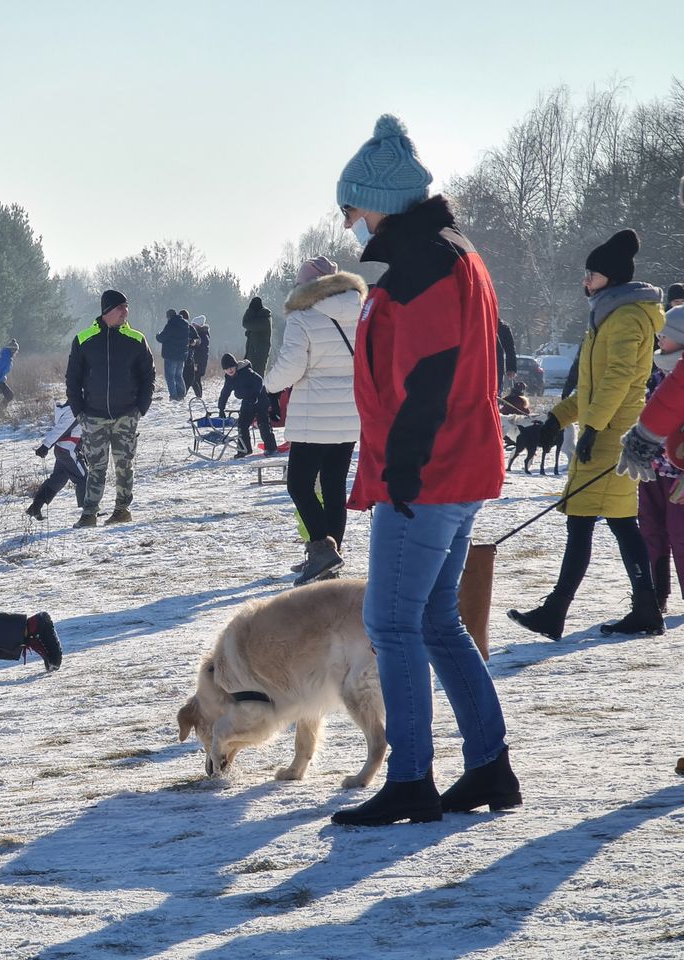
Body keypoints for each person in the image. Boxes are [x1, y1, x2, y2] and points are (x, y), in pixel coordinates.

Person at [329, 114, 518, 828]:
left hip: (430, 473)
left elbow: (429, 377)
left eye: (353, 208)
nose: (352, 222)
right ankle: (489, 767)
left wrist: (401, 473)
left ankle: (410, 779)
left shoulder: (426, 265)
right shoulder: (442, 254)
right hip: (454, 463)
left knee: (391, 621)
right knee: (436, 619)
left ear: (380, 200)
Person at [509, 230, 665, 639]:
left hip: (613, 435)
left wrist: (593, 427)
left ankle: (557, 611)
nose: (585, 280)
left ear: (609, 277)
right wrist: (554, 420)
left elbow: (617, 381)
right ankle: (644, 608)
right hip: (606, 430)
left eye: (591, 274)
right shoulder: (607, 315)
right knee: (620, 524)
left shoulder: (628, 318)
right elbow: (591, 388)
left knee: (586, 524)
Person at [264, 256, 365, 585]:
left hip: (313, 415)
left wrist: (267, 384)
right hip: (350, 412)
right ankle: (329, 554)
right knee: (334, 486)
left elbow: (291, 367)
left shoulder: (303, 317)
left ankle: (323, 551)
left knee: (299, 484)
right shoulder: (360, 312)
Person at [64, 289, 155, 527]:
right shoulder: (84, 339)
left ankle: (122, 510)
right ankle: (89, 514)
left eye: (127, 307)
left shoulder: (136, 339)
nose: (125, 312)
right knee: (96, 467)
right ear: (106, 311)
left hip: (127, 414)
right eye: (120, 308)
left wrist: (140, 408)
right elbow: (72, 379)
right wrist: (79, 412)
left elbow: (149, 375)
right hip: (93, 416)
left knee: (125, 465)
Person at [615, 303, 684, 613]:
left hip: (679, 473)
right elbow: (653, 409)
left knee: (679, 533)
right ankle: (655, 596)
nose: (659, 340)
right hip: (653, 468)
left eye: (665, 336)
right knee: (651, 531)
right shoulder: (657, 371)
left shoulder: (678, 372)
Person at [26, 401, 86, 522]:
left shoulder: (70, 408)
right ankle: (89, 512)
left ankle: (35, 507)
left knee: (57, 481)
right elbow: (60, 429)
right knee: (84, 478)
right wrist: (45, 445)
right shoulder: (75, 409)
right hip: (68, 450)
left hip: (63, 450)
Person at [218, 353, 279, 458]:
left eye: (231, 367)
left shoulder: (246, 372)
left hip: (260, 400)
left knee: (263, 424)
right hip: (247, 401)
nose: (230, 370)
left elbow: (259, 381)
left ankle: (271, 448)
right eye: (227, 369)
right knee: (242, 424)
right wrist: (221, 408)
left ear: (236, 366)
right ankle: (244, 449)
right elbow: (225, 393)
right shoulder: (229, 378)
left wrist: (255, 395)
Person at [156, 308, 192, 401]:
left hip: (171, 355)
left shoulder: (171, 324)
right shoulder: (185, 323)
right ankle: (182, 394)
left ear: (168, 316)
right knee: (178, 375)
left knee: (170, 376)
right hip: (182, 354)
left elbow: (162, 337)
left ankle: (174, 396)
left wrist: (158, 335)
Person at [242, 297, 272, 374]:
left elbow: (245, 323)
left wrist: (250, 310)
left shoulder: (263, 320)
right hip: (254, 354)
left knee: (257, 378)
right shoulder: (261, 319)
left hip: (259, 355)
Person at [185, 312, 209, 399]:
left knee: (195, 379)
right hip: (197, 360)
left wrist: (193, 344)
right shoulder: (200, 334)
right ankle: (198, 395)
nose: (192, 326)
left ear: (198, 325)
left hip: (199, 361)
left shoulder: (202, 336)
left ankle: (198, 396)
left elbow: (200, 347)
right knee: (195, 379)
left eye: (194, 324)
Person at [496, 319, 518, 395]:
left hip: (496, 367)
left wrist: (511, 368)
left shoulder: (503, 328)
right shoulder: (503, 327)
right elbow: (510, 350)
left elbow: (510, 349)